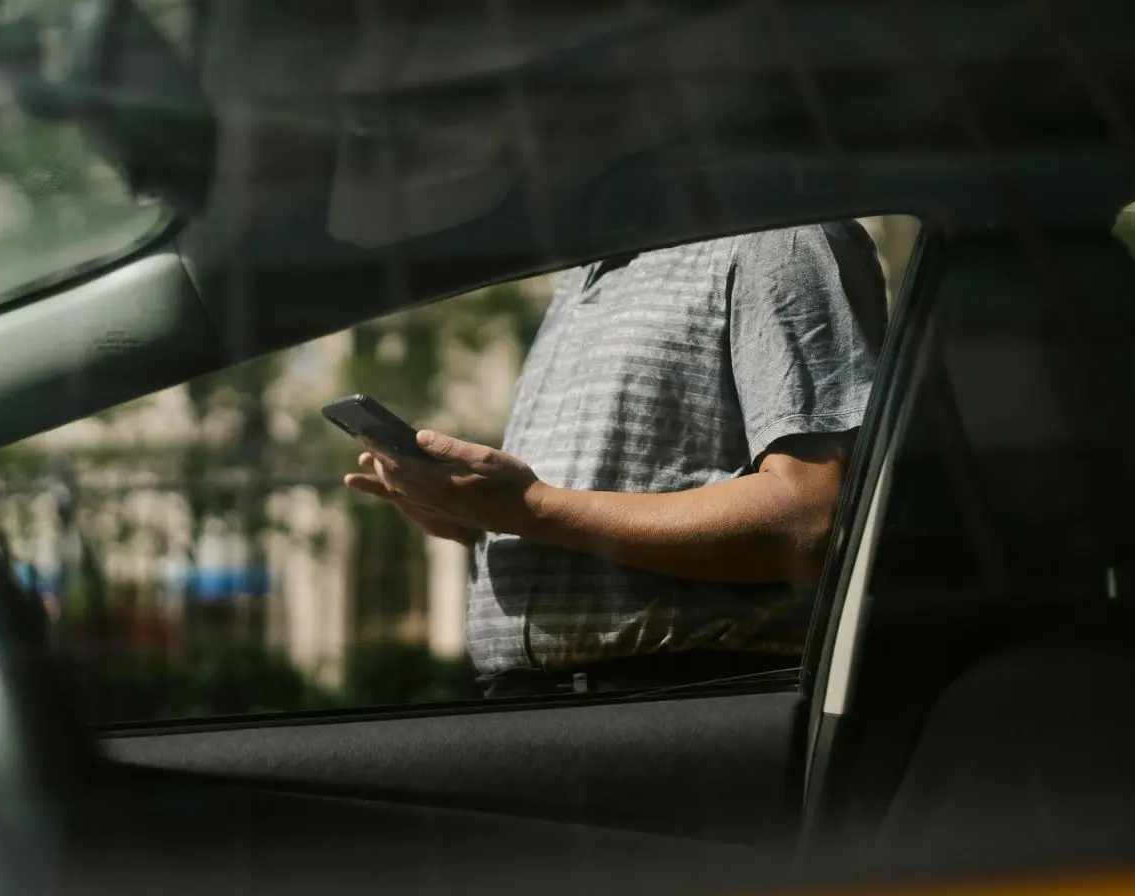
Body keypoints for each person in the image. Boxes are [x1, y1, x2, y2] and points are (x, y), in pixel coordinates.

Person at [345, 224, 884, 696]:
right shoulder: (579, 275)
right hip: (536, 706)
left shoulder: (780, 240)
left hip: (682, 699)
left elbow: (810, 518)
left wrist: (529, 509)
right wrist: (475, 516)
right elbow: (575, 513)